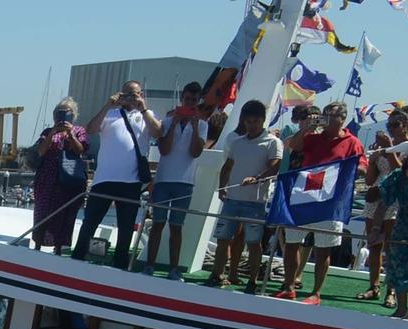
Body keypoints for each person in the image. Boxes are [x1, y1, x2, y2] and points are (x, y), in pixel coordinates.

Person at [273, 102, 366, 303]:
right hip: (304, 197)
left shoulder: (353, 142)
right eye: (324, 115)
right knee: (291, 243)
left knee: (323, 249)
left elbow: (363, 168)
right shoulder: (313, 138)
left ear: (342, 118)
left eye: (331, 116)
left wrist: (341, 171)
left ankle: (316, 293)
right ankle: (289, 286)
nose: (326, 119)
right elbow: (292, 146)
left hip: (330, 204)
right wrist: (307, 127)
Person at [73, 80, 160, 269]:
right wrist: (107, 105)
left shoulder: (147, 115)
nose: (130, 98)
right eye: (126, 94)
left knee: (126, 225)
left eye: (134, 94)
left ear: (141, 94)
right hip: (104, 178)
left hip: (130, 181)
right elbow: (91, 129)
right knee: (90, 221)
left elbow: (158, 133)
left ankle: (120, 262)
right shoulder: (110, 114)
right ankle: (78, 255)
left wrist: (143, 109)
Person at [207, 99, 284, 292]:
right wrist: (222, 187)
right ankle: (217, 274)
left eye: (255, 121)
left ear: (263, 120)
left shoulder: (273, 142)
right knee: (223, 238)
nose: (251, 125)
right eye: (248, 122)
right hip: (232, 199)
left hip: (255, 202)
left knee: (253, 242)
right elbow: (228, 166)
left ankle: (252, 280)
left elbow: (275, 167)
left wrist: (256, 178)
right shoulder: (237, 142)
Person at [141, 81, 205, 275]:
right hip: (163, 181)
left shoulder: (202, 125)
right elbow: (164, 150)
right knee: (157, 224)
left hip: (185, 183)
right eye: (187, 99)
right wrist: (175, 123)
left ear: (198, 102)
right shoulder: (167, 123)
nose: (190, 103)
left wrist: (194, 128)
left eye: (194, 100)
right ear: (181, 99)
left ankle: (174, 268)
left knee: (177, 227)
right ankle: (149, 265)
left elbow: (196, 152)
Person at [32, 98, 89, 252]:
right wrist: (52, 133)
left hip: (68, 177)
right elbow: (41, 151)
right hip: (47, 176)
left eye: (67, 113)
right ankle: (38, 244)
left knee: (64, 213)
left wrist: (70, 134)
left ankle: (59, 247)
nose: (62, 116)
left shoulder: (79, 131)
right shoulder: (47, 132)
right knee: (43, 210)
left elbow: (80, 150)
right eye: (59, 113)